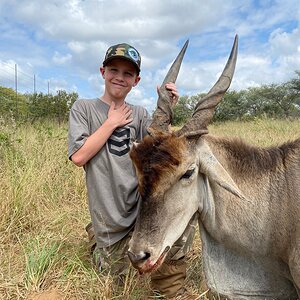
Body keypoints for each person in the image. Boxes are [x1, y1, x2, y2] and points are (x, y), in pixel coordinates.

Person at [68, 43, 199, 299]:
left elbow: (160, 146)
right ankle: (96, 238)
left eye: (128, 74)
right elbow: (79, 156)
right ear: (102, 72)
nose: (120, 77)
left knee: (181, 211)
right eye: (114, 69)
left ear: (136, 81)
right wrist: (111, 123)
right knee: (118, 278)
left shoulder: (139, 114)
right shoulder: (83, 108)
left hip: (142, 213)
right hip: (111, 220)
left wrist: (168, 107)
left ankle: (172, 289)